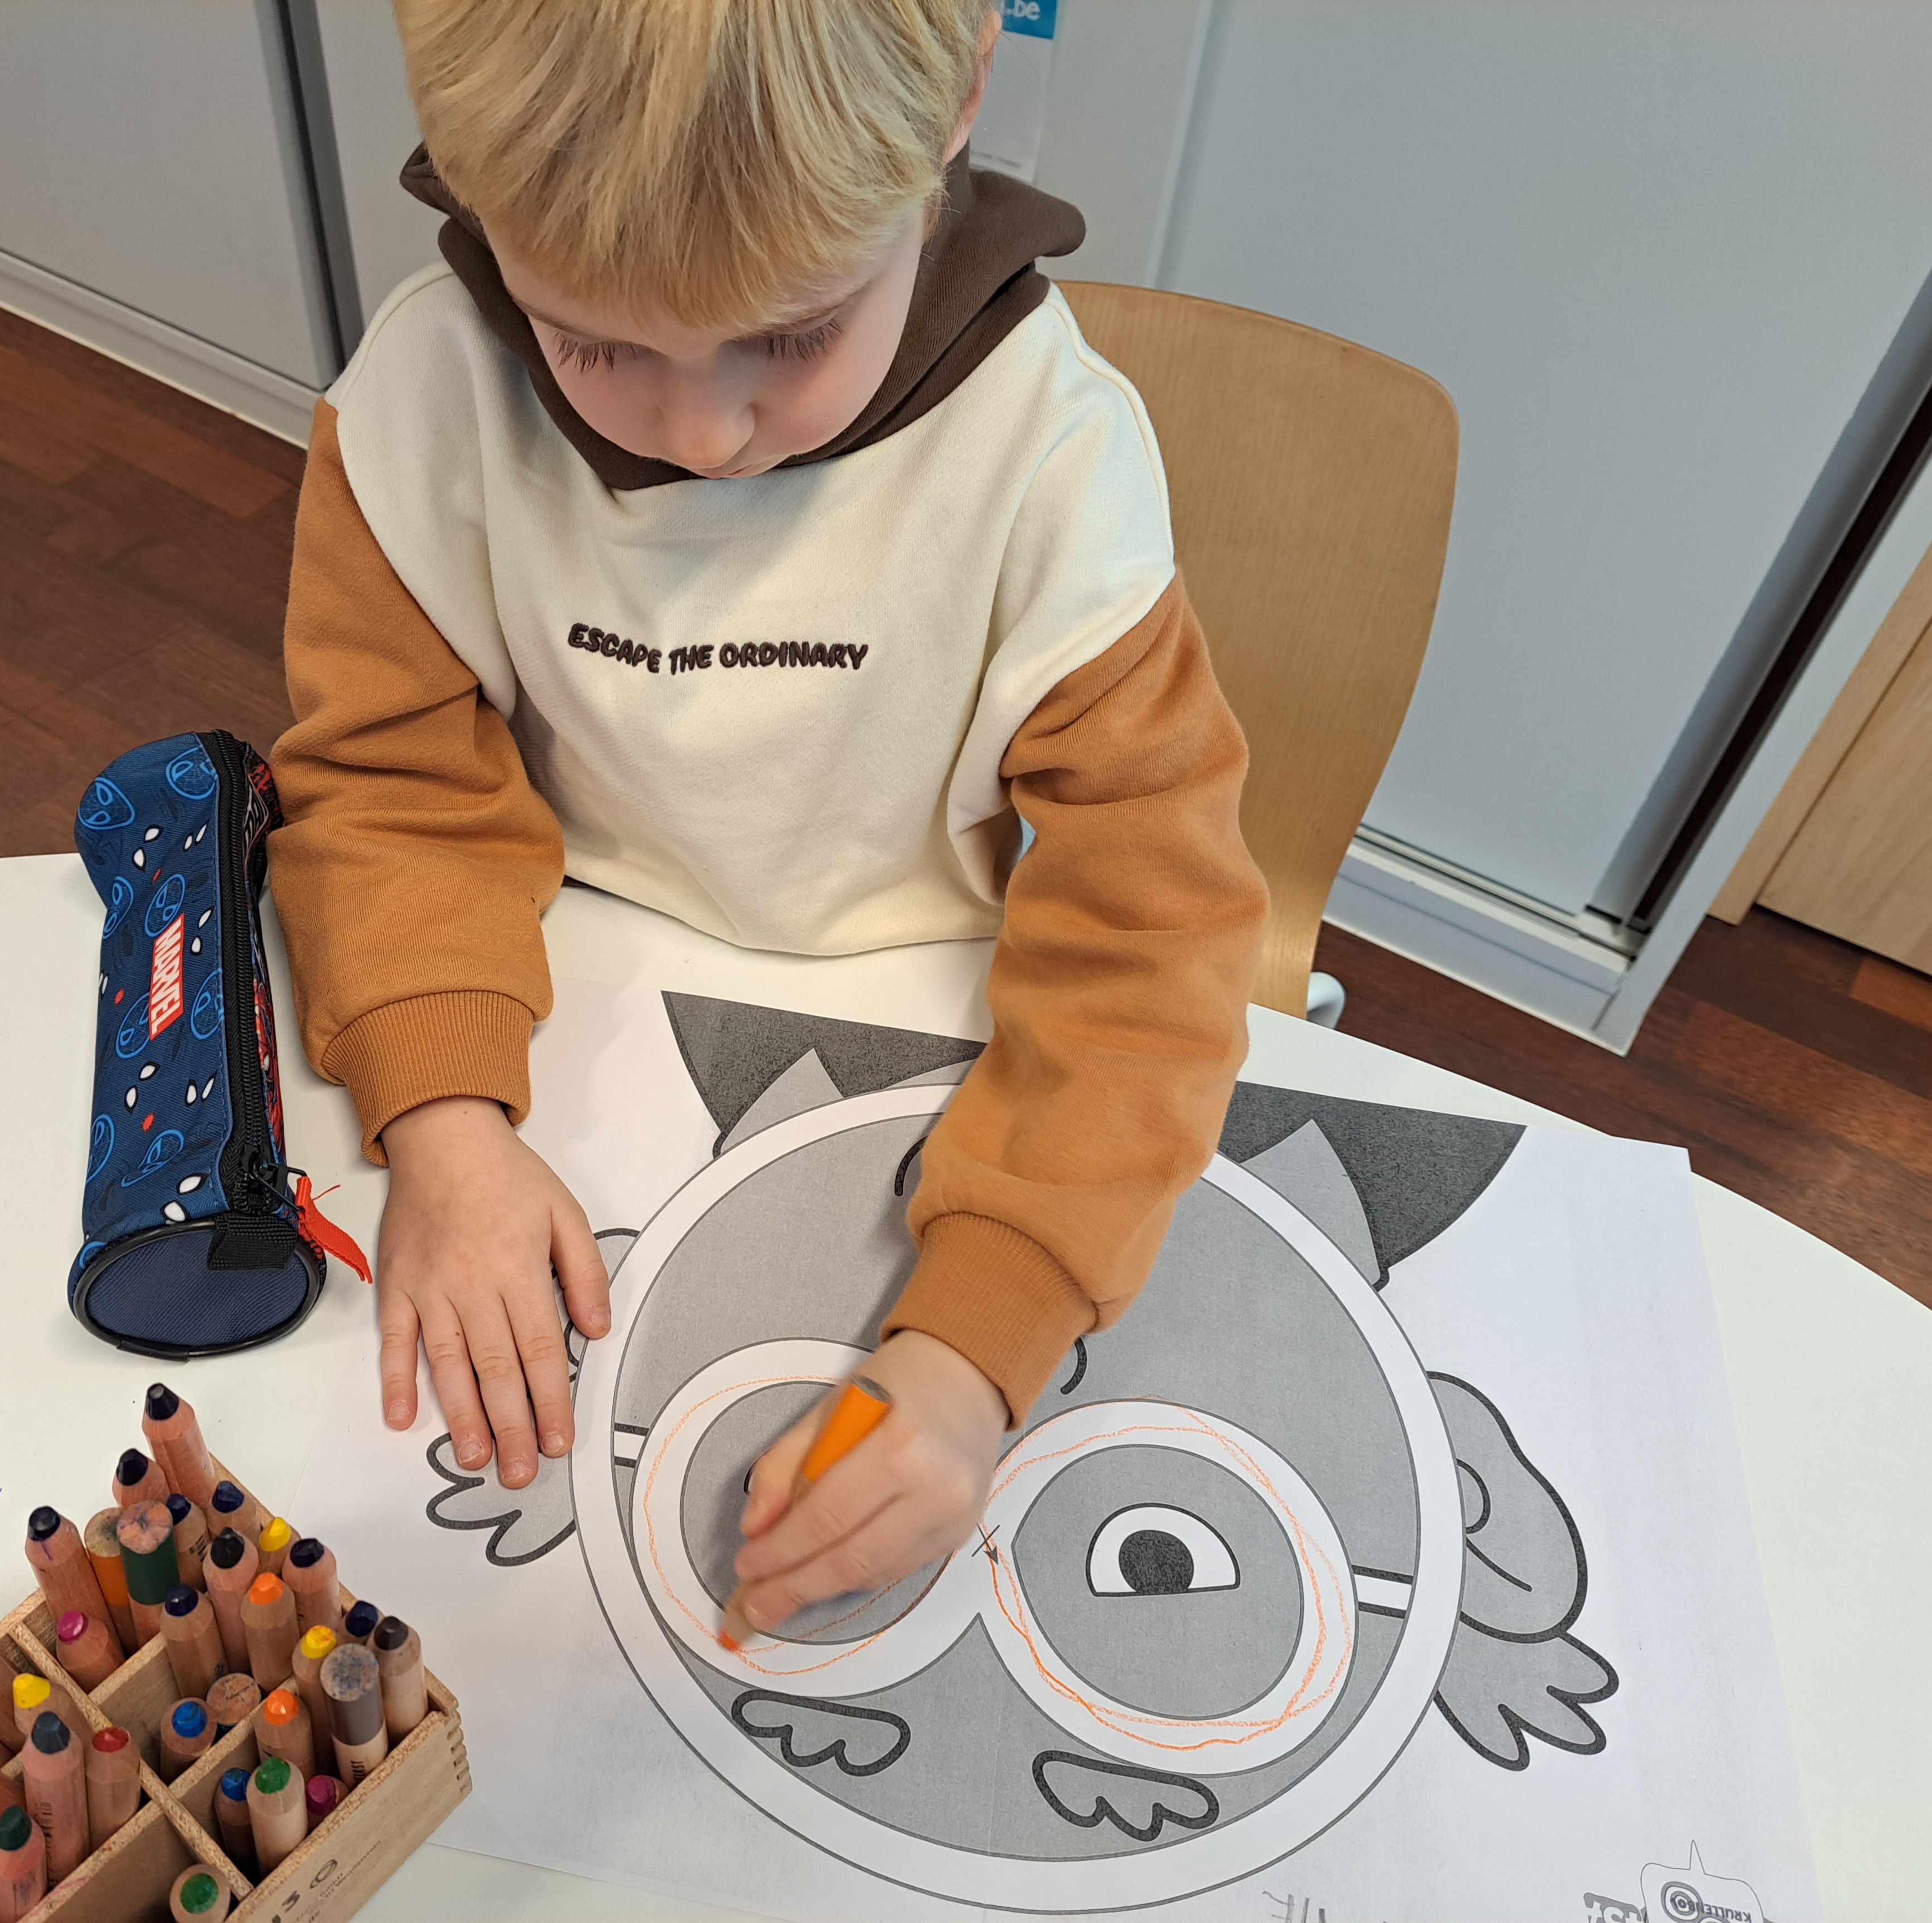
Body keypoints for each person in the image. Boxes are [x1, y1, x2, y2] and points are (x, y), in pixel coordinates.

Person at [269, 0, 1267, 1635]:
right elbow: (388, 785)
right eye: (593, 345)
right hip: (554, 1003)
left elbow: (1150, 937)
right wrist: (443, 1120)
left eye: (793, 338)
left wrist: (976, 1348)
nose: (704, 433)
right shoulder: (425, 398)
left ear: (961, 94)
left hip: (946, 1047)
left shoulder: (1048, 458)